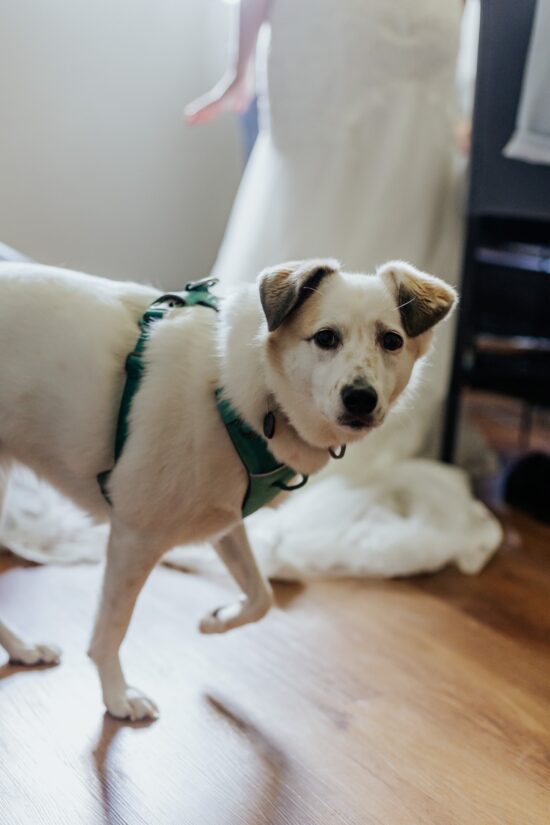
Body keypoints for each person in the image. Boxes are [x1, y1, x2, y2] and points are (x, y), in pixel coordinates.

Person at [186, 0, 465, 473]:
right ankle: (253, 422)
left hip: (423, 43)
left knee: (409, 210)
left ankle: (377, 433)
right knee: (304, 205)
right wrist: (240, 67)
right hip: (328, 32)